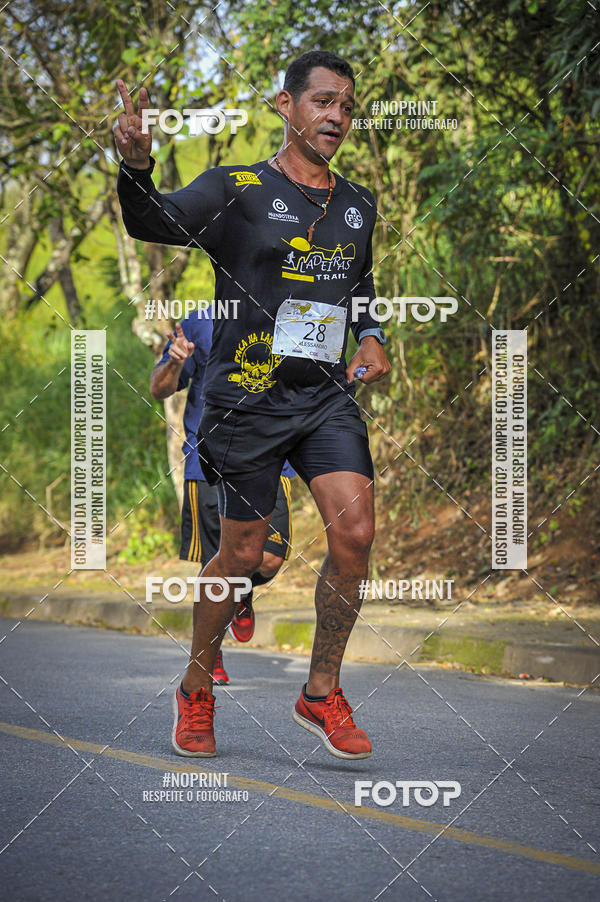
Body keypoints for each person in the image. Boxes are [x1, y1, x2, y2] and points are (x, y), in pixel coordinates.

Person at [115, 49, 391, 760]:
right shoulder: (236, 187)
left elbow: (359, 289)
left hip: (324, 397)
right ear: (286, 106)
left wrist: (372, 335)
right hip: (246, 398)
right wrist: (136, 167)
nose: (337, 116)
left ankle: (321, 691)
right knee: (239, 554)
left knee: (355, 533)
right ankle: (197, 687)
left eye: (347, 107)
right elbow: (156, 222)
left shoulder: (357, 203)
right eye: (323, 101)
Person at [150, 312, 295, 684]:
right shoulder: (199, 323)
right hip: (210, 458)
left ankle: (241, 589)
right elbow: (160, 388)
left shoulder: (289, 314)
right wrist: (174, 361)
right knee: (217, 559)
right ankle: (208, 652)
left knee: (269, 559)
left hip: (272, 456)